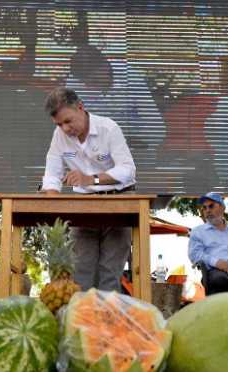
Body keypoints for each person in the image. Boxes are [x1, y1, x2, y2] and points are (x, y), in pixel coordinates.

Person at [41, 87, 136, 291]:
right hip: (83, 207)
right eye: (59, 124)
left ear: (81, 107)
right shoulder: (59, 135)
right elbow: (52, 172)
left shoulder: (108, 128)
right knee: (79, 275)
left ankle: (105, 322)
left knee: (109, 275)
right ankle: (79, 322)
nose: (65, 129)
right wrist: (52, 199)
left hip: (119, 203)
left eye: (68, 121)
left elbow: (127, 170)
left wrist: (89, 179)